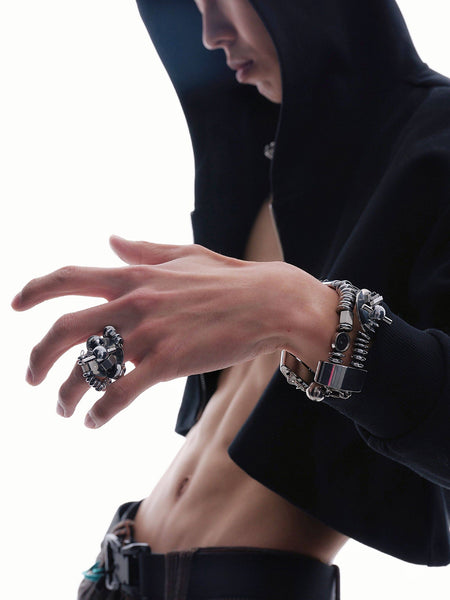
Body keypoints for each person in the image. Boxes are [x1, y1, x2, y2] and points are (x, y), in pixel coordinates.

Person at [12, 0, 450, 598]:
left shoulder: (438, 143)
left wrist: (304, 312)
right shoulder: (268, 164)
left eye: (224, 0)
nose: (210, 34)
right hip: (113, 570)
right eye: (195, 5)